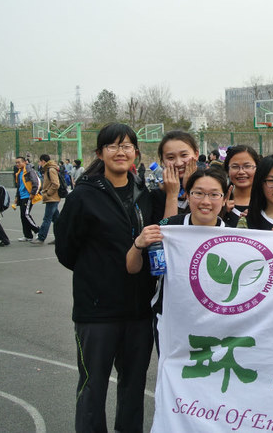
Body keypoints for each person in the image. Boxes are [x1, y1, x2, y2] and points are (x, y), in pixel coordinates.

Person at [54, 123, 157, 433]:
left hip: (138, 311)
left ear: (136, 152)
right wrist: (98, 275)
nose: (120, 151)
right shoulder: (83, 196)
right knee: (92, 387)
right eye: (112, 146)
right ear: (100, 153)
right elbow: (66, 251)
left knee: (133, 387)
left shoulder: (144, 195)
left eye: (126, 146)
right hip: (97, 312)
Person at [128, 167, 229, 353]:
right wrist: (138, 245)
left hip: (216, 321)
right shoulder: (168, 228)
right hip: (171, 318)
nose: (206, 201)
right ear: (188, 196)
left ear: (224, 199)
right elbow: (132, 268)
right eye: (198, 193)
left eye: (214, 194)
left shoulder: (234, 236)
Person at [151, 130, 201, 220]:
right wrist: (172, 196)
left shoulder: (211, 185)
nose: (178, 163)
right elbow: (163, 225)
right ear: (162, 161)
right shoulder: (156, 195)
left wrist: (190, 188)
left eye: (184, 155)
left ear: (196, 155)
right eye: (170, 157)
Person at [222, 145, 260, 228]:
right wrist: (221, 212)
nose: (241, 172)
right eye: (235, 167)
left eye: (247, 166)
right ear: (227, 170)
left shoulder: (267, 202)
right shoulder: (218, 200)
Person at [32, 154, 61, 245]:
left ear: (43, 161)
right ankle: (61, 237)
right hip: (52, 197)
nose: (39, 163)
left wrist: (48, 193)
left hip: (52, 198)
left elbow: (56, 184)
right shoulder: (49, 169)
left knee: (47, 218)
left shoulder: (51, 170)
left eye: (39, 161)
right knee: (56, 219)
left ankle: (41, 237)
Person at [13, 155, 40, 242]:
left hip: (28, 196)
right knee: (23, 216)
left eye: (19, 162)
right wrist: (17, 197)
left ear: (24, 162)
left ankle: (38, 231)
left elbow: (35, 182)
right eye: (16, 163)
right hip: (21, 196)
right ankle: (28, 235)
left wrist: (32, 193)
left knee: (26, 214)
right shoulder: (19, 172)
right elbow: (19, 186)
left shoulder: (29, 171)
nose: (17, 164)